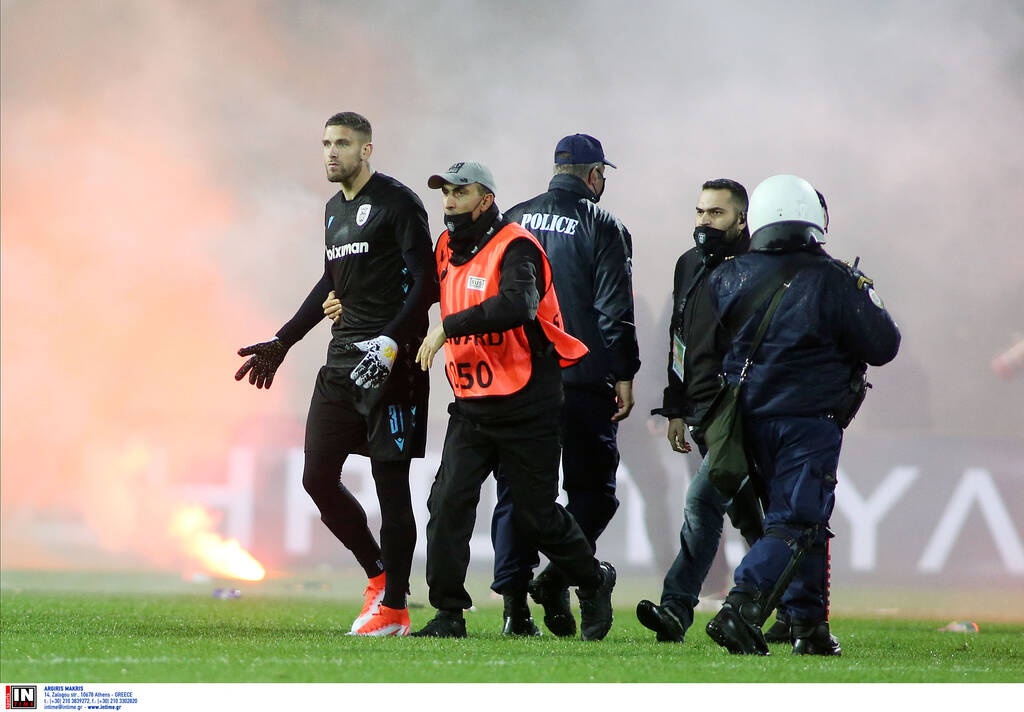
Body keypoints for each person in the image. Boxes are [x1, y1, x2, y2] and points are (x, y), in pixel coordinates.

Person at [235, 112, 438, 637]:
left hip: (391, 363)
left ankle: (395, 607)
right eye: (325, 143)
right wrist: (284, 340)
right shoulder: (333, 210)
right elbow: (330, 279)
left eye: (342, 143)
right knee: (317, 477)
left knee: (390, 484)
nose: (331, 152)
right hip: (342, 360)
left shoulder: (399, 202)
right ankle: (377, 575)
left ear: (367, 150)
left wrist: (393, 341)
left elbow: (428, 284)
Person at [411, 160, 616, 640]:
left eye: (460, 193)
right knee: (447, 506)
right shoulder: (445, 247)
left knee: (536, 514)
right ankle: (448, 613)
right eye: (445, 193)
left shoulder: (516, 245)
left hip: (528, 403)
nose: (449, 202)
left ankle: (592, 579)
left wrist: (448, 326)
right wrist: (349, 304)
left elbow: (517, 305)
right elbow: (415, 290)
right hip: (471, 405)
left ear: (486, 200)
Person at [703, 174, 901, 656]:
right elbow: (884, 346)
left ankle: (808, 627)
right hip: (807, 419)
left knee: (799, 521)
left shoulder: (727, 275)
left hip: (744, 421)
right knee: (797, 519)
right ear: (815, 218)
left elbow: (707, 351)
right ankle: (742, 607)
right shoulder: (834, 279)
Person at [490, 134, 640, 637]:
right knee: (594, 493)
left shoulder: (510, 218)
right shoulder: (605, 226)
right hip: (580, 379)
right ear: (594, 174)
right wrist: (624, 371)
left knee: (516, 491)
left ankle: (516, 609)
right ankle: (567, 576)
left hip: (517, 380)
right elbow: (613, 311)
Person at [637, 178, 767, 644]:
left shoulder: (760, 266)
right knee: (748, 515)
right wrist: (674, 407)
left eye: (716, 213)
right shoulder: (688, 264)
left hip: (747, 411)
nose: (704, 222)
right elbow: (678, 339)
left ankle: (676, 607)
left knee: (703, 504)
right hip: (702, 414)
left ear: (741, 218)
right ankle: (792, 609)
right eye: (700, 212)